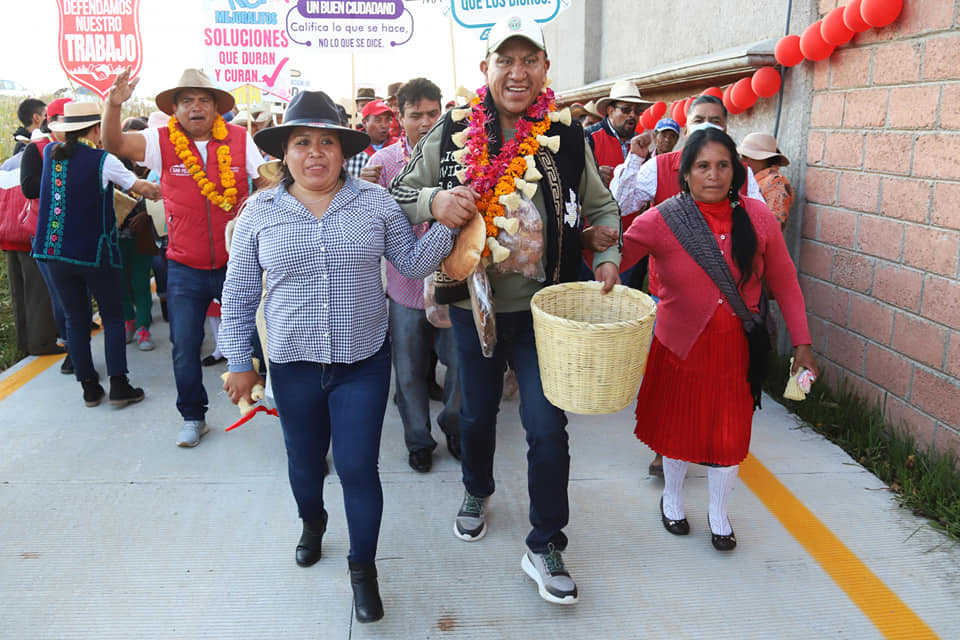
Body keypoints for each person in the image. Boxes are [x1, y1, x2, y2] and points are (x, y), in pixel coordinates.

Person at [390, 14, 622, 605]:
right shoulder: (452, 130)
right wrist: (435, 199)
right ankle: (476, 488)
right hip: (476, 307)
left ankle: (545, 542)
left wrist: (607, 255)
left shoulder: (569, 137)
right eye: (505, 62)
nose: (517, 73)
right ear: (486, 69)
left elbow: (603, 207)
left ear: (545, 68)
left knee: (547, 427)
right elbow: (397, 195)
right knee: (476, 415)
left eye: (529, 61)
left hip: (549, 314)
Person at [219, 90, 457, 623]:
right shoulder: (259, 211)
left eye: (326, 141)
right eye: (302, 142)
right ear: (285, 152)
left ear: (342, 149)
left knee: (356, 468)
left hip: (362, 365)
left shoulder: (375, 203)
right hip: (293, 365)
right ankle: (312, 522)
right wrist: (239, 359)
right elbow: (236, 294)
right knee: (305, 464)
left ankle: (362, 570)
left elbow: (413, 263)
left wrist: (449, 221)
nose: (315, 153)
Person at [621, 127, 817, 551]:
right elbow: (616, 256)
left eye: (723, 165)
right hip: (679, 347)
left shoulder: (758, 217)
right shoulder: (663, 218)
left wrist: (802, 344)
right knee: (678, 428)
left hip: (735, 349)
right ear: (686, 173)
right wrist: (592, 245)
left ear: (737, 171)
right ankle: (672, 499)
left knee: (729, 435)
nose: (714, 175)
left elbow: (785, 282)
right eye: (703, 166)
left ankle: (718, 513)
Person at [102, 67, 266, 447]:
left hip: (237, 263)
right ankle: (193, 416)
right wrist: (113, 104)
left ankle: (267, 397)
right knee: (185, 345)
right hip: (183, 265)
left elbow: (266, 180)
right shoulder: (160, 141)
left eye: (204, 101)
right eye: (187, 101)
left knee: (260, 337)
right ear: (175, 110)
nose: (196, 108)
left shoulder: (240, 139)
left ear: (215, 108)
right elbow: (113, 144)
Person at [610, 94, 766, 476]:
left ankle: (705, 446)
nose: (707, 125)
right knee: (672, 383)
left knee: (712, 390)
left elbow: (764, 231)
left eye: (715, 119)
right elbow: (620, 202)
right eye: (699, 119)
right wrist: (634, 159)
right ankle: (665, 452)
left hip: (725, 306)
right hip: (670, 298)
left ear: (726, 128)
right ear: (686, 125)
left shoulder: (736, 173)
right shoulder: (661, 167)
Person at [361, 77, 460, 473]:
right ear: (399, 117)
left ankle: (455, 427)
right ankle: (418, 440)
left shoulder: (462, 156)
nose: (425, 122)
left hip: (456, 284)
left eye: (433, 114)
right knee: (410, 371)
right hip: (404, 288)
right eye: (415, 114)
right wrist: (363, 192)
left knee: (461, 366)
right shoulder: (381, 164)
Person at [32, 101, 159, 407]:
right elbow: (140, 187)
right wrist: (159, 189)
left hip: (54, 254)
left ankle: (89, 388)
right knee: (113, 318)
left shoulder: (51, 154)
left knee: (76, 320)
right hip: (94, 254)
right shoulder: (103, 160)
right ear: (96, 129)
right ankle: (119, 385)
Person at [15, 97, 76, 363]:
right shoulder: (36, 149)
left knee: (78, 294)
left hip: (81, 230)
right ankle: (72, 352)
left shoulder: (88, 148)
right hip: (48, 232)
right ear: (51, 122)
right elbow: (29, 188)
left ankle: (77, 347)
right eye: (67, 119)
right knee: (61, 294)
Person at [117, 116, 158, 351]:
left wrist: (147, 215)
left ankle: (143, 327)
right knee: (121, 283)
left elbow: (165, 198)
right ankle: (128, 321)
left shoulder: (152, 165)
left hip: (142, 236)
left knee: (141, 282)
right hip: (116, 237)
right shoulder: (112, 164)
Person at [586, 80, 653, 186]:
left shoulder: (641, 143)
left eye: (637, 111)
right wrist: (593, 176)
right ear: (611, 112)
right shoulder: (590, 137)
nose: (632, 115)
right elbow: (572, 173)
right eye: (626, 110)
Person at [738, 132, 794, 230]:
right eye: (743, 156)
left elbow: (775, 226)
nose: (743, 160)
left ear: (765, 159)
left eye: (747, 157)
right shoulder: (747, 179)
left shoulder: (777, 183)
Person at [345, 99, 397, 178]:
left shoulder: (399, 146)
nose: (384, 125)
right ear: (365, 123)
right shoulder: (354, 148)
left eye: (388, 120)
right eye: (378, 120)